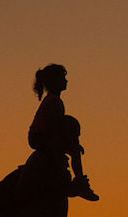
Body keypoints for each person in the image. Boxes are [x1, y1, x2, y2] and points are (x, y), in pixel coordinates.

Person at [29, 64, 99, 201]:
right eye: (63, 78)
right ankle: (79, 181)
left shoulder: (53, 100)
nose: (66, 81)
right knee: (74, 149)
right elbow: (53, 126)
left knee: (72, 139)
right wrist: (69, 144)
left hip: (41, 137)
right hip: (41, 138)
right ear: (55, 81)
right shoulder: (54, 101)